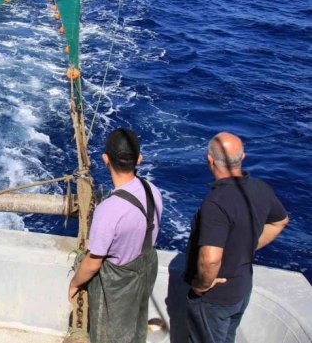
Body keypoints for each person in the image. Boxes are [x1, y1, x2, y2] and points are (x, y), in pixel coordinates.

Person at [184, 132, 289, 343]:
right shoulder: (261, 188)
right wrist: (247, 247)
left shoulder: (215, 202)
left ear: (210, 160)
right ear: (242, 157)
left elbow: (210, 259)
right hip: (242, 289)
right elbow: (280, 221)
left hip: (215, 298)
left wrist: (202, 285)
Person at [68, 128, 163, 343]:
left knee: (108, 335)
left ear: (105, 159)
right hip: (145, 273)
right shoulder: (153, 191)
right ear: (139, 159)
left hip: (117, 285)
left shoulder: (108, 210)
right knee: (136, 326)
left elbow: (93, 262)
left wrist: (75, 283)